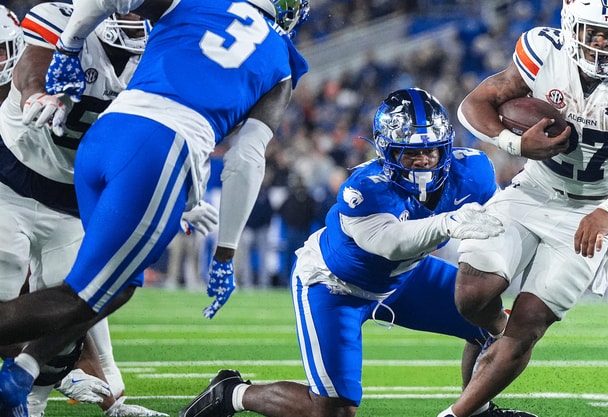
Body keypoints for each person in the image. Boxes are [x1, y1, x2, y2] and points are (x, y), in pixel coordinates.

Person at [0, 0, 309, 415]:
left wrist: (71, 45)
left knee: (108, 291)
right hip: (155, 150)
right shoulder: (281, 60)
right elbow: (246, 160)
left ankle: (22, 378)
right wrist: (224, 253)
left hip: (98, 149)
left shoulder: (195, 4)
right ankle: (20, 374)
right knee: (85, 295)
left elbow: (107, 2)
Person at [178, 88, 535, 417]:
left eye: (431, 150)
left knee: (495, 325)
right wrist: (447, 223)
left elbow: (497, 221)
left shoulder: (472, 171)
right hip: (335, 286)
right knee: (332, 410)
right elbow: (390, 243)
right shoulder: (365, 187)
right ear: (388, 151)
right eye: (411, 153)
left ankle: (477, 411)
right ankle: (233, 394)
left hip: (404, 278)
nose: (425, 160)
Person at [437, 0, 608, 416]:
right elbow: (474, 104)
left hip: (589, 209)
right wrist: (516, 145)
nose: (606, 44)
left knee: (529, 323)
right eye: (597, 32)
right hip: (533, 188)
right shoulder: (543, 51)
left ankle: (462, 412)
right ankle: (497, 332)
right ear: (570, 27)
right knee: (472, 296)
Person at [0, 3, 174, 416]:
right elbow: (31, 64)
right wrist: (35, 93)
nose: (129, 14)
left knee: (65, 315)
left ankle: (28, 403)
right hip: (11, 178)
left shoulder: (163, 50)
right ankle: (63, 374)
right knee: (7, 304)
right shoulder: (60, 15)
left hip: (73, 197)